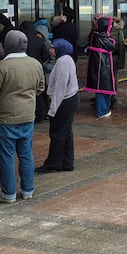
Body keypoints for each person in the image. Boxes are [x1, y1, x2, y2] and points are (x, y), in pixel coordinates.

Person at [0, 30, 45, 203]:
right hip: (28, 115)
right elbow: (41, 87)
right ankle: (28, 190)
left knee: (6, 156)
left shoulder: (2, 67)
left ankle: (9, 194)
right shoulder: (35, 64)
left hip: (5, 117)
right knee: (26, 153)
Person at [40, 37, 79, 173]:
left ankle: (53, 163)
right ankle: (67, 163)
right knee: (66, 132)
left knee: (57, 134)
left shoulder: (62, 62)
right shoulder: (68, 59)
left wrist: (52, 109)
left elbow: (60, 88)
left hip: (64, 101)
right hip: (70, 99)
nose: (50, 50)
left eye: (53, 47)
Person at [84, 15, 118, 118]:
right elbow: (110, 46)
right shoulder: (102, 35)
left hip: (97, 64)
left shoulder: (94, 34)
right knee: (103, 88)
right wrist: (113, 41)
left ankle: (103, 109)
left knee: (101, 88)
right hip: (102, 65)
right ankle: (102, 111)